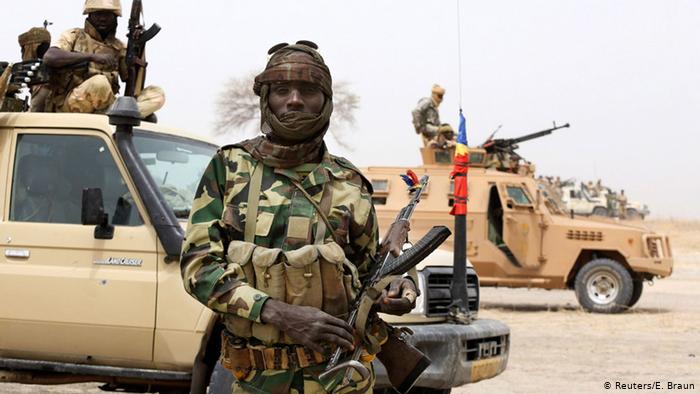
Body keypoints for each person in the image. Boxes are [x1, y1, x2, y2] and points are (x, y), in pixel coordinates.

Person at [181, 41, 416, 393]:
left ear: (325, 101)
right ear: (266, 99)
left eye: (308, 90)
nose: (294, 99)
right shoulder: (229, 168)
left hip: (339, 378)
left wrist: (400, 288)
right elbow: (198, 268)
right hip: (257, 381)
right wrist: (278, 312)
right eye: (281, 90)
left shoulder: (349, 182)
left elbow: (371, 273)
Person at [41, 0, 164, 119]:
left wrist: (138, 45)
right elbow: (50, 57)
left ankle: (125, 114)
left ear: (115, 17)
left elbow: (132, 80)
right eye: (98, 14)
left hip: (106, 106)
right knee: (100, 83)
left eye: (107, 15)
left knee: (157, 94)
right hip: (71, 103)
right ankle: (127, 113)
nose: (103, 18)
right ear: (90, 15)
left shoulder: (118, 47)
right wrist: (92, 57)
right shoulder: (74, 36)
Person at [411, 84, 455, 149]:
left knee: (451, 132)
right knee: (444, 131)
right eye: (439, 96)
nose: (441, 99)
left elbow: (437, 123)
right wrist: (419, 127)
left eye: (442, 96)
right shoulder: (427, 102)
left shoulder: (435, 107)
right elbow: (416, 111)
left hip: (434, 130)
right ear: (434, 95)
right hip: (426, 127)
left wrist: (445, 128)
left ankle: (446, 144)